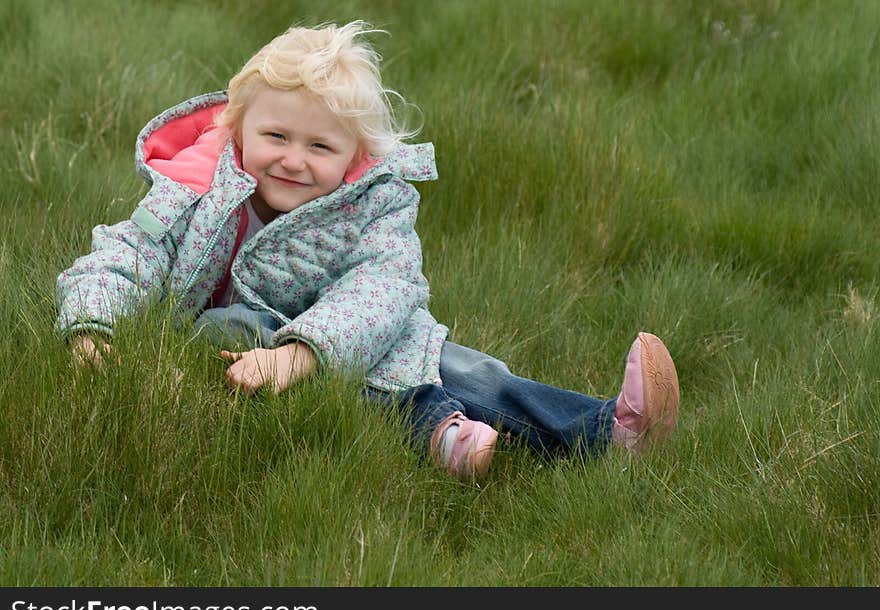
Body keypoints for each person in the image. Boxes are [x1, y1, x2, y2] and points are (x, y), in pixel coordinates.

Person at [56, 21, 680, 483]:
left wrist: (305, 353)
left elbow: (385, 288)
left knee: (468, 370)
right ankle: (444, 436)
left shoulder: (375, 203)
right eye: (275, 135)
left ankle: (605, 431)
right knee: (234, 322)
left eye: (320, 147)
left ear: (353, 154)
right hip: (233, 350)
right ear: (237, 126)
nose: (293, 160)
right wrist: (93, 326)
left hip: (353, 339)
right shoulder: (196, 184)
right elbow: (128, 252)